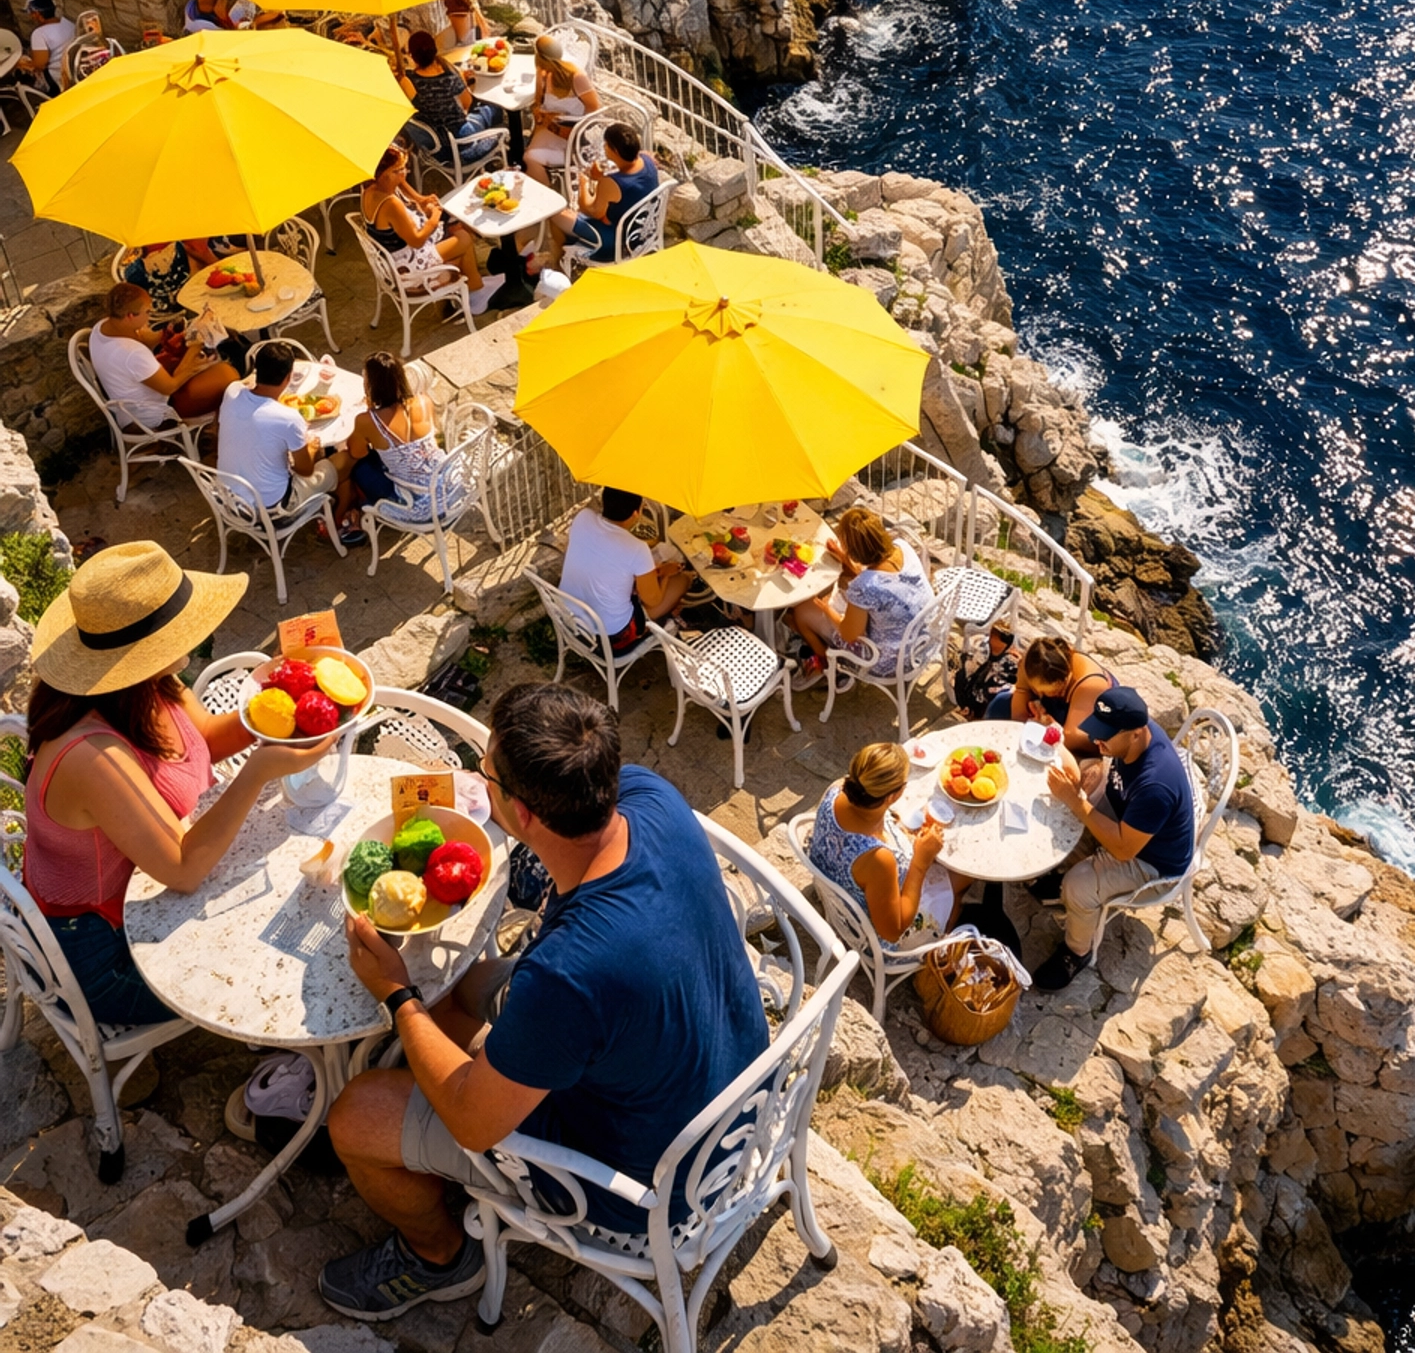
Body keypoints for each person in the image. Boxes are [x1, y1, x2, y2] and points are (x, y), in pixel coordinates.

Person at [317, 683, 770, 1319]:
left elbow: (475, 1120)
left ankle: (440, 1257)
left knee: (356, 1113)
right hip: (735, 1097)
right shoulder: (650, 797)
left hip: (644, 1189)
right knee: (460, 996)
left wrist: (396, 995)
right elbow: (552, 981)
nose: (482, 782)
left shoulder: (566, 975)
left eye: (487, 775)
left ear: (525, 814)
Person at [22, 541, 334, 1024]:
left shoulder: (143, 685)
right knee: (286, 964)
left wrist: (285, 684)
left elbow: (204, 737)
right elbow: (184, 870)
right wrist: (258, 771)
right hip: (105, 955)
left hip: (146, 896)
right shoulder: (91, 755)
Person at [1035, 684, 1197, 990]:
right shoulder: (1135, 737)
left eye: (1105, 734)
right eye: (1097, 728)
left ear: (1136, 732)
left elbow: (1123, 849)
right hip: (1129, 817)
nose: (1097, 739)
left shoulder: (1155, 786)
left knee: (1078, 886)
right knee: (1070, 813)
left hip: (1151, 860)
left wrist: (1075, 800)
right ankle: (1063, 877)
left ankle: (1077, 952)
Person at [807, 742, 968, 950]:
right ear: (892, 796)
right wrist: (920, 863)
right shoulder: (878, 858)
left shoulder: (836, 790)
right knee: (964, 877)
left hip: (843, 888)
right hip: (873, 937)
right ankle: (940, 944)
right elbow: (893, 931)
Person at [787, 505, 933, 689]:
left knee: (802, 611)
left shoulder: (864, 587)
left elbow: (849, 634)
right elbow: (876, 577)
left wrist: (825, 608)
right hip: (922, 641)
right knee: (844, 583)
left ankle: (827, 666)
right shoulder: (903, 548)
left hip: (887, 661)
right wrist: (843, 557)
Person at [360, 145, 502, 315]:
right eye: (399, 170)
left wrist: (422, 200)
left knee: (457, 226)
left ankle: (473, 285)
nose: (405, 173)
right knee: (463, 238)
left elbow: (407, 191)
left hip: (395, 255)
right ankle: (476, 291)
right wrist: (434, 216)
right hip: (409, 265)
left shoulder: (372, 189)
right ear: (383, 175)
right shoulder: (390, 204)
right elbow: (417, 240)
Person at [335, 351, 450, 550]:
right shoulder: (424, 401)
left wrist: (370, 412)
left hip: (418, 504)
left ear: (371, 386)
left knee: (357, 466)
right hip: (446, 487)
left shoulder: (367, 420)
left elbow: (357, 452)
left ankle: (345, 513)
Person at [89, 281, 238, 425]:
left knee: (198, 359)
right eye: (147, 312)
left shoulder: (103, 327)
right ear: (130, 316)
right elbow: (170, 387)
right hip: (153, 415)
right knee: (228, 375)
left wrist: (166, 335)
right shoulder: (131, 353)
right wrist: (193, 355)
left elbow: (140, 338)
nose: (149, 315)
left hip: (132, 404)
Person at [218, 340, 339, 513]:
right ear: (288, 377)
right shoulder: (289, 418)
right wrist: (311, 449)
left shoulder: (232, 392)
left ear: (256, 369)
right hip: (271, 509)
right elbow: (304, 470)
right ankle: (341, 515)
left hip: (228, 498)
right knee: (338, 463)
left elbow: (245, 386)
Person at [560, 487, 690, 647]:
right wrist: (666, 575)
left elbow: (606, 559)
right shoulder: (637, 548)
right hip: (609, 637)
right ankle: (660, 623)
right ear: (636, 514)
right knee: (683, 580)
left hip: (567, 615)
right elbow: (653, 600)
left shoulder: (583, 517)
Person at [528, 123, 658, 273]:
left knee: (554, 212)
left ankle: (557, 263)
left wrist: (585, 180)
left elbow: (590, 210)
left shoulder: (613, 183)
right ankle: (561, 254)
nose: (604, 147)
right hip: (641, 230)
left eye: (606, 144)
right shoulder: (647, 160)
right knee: (569, 215)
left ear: (614, 150)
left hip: (613, 239)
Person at [995, 633, 1119, 757]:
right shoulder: (1031, 664)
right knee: (1000, 704)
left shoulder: (1090, 685)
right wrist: (1028, 719)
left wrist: (1051, 727)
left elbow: (1075, 739)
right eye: (1037, 690)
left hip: (1087, 731)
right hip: (1056, 714)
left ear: (1065, 680)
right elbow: (1017, 717)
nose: (1040, 694)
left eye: (1050, 692)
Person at [397, 30, 503, 168]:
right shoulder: (450, 74)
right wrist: (463, 81)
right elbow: (467, 104)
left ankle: (487, 147)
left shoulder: (408, 81)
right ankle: (498, 145)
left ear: (412, 56)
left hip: (438, 148)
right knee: (492, 109)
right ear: (435, 50)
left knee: (484, 112)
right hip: (463, 141)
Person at [522, 34, 598, 188]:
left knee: (529, 158)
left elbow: (596, 109)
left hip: (574, 135)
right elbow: (538, 104)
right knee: (527, 155)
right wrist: (544, 114)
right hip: (550, 128)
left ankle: (547, 200)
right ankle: (545, 190)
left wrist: (572, 122)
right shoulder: (542, 74)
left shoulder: (576, 77)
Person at [955, 617, 1019, 720]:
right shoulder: (1003, 662)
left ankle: (972, 712)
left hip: (984, 699)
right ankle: (971, 710)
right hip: (984, 691)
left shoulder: (1006, 666)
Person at [24, 0, 75, 95]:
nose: (31, 16)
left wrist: (22, 64)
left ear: (37, 14)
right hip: (73, 68)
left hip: (58, 77)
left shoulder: (39, 34)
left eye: (31, 13)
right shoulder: (67, 23)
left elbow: (40, 65)